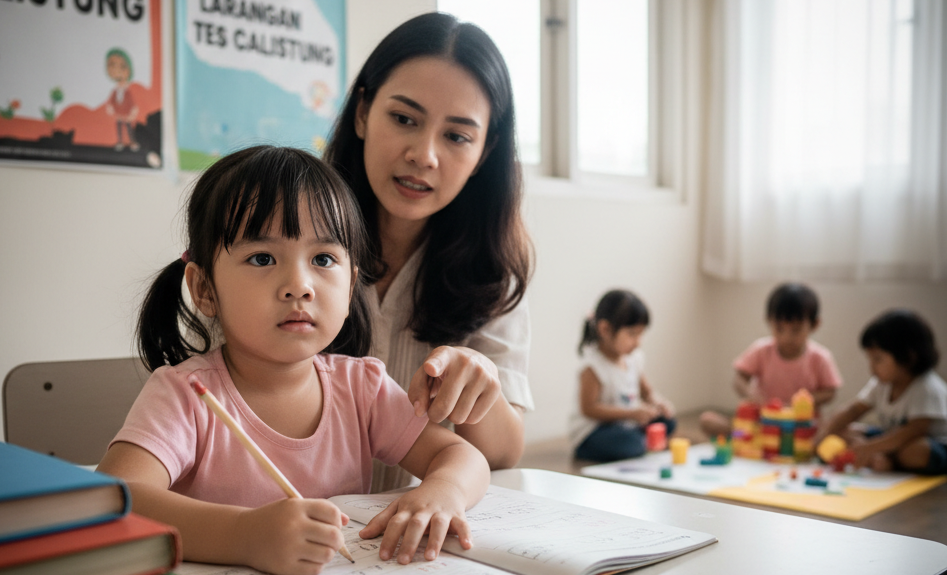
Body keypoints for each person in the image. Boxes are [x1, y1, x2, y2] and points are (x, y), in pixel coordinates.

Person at [96, 146, 490, 575]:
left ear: (351, 283)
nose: (299, 285)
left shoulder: (361, 388)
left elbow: (461, 455)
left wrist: (443, 491)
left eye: (323, 259)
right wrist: (243, 535)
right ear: (205, 288)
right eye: (262, 258)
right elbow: (118, 496)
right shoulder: (185, 394)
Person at [325, 12, 534, 491]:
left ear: (485, 151)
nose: (425, 155)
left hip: (411, 540)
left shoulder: (494, 272)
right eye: (404, 119)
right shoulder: (285, 233)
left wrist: (481, 386)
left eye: (457, 135)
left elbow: (505, 455)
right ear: (362, 112)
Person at [700, 283, 842, 437]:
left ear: (814, 325)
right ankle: (742, 437)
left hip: (801, 426)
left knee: (838, 432)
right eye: (779, 329)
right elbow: (739, 378)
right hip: (761, 422)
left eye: (796, 330)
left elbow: (830, 392)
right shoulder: (761, 350)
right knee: (708, 420)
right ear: (769, 321)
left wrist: (805, 401)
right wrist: (750, 395)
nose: (786, 337)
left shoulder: (820, 357)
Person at [818, 310, 947, 474]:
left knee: (918, 451)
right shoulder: (882, 384)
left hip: (930, 443)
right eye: (870, 359)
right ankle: (880, 457)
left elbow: (914, 430)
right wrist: (826, 431)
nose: (871, 367)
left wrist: (870, 447)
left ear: (908, 357)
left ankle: (883, 459)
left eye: (878, 359)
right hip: (892, 440)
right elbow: (854, 410)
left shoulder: (927, 387)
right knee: (846, 431)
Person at [568, 290, 676, 463]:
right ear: (605, 329)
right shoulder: (593, 366)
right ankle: (638, 441)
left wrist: (658, 403)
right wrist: (630, 414)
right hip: (594, 431)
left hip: (626, 423)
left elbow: (646, 392)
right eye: (632, 334)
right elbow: (589, 409)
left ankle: (640, 440)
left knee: (667, 422)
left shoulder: (634, 358)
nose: (638, 342)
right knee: (631, 443)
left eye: (640, 334)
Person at [104, 47, 139, 151]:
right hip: (118, 113)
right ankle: (120, 142)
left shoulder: (128, 91)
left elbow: (132, 102)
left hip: (126, 113)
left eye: (122, 67)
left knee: (129, 128)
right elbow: (111, 100)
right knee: (119, 127)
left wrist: (133, 112)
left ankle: (132, 142)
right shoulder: (115, 91)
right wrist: (110, 107)